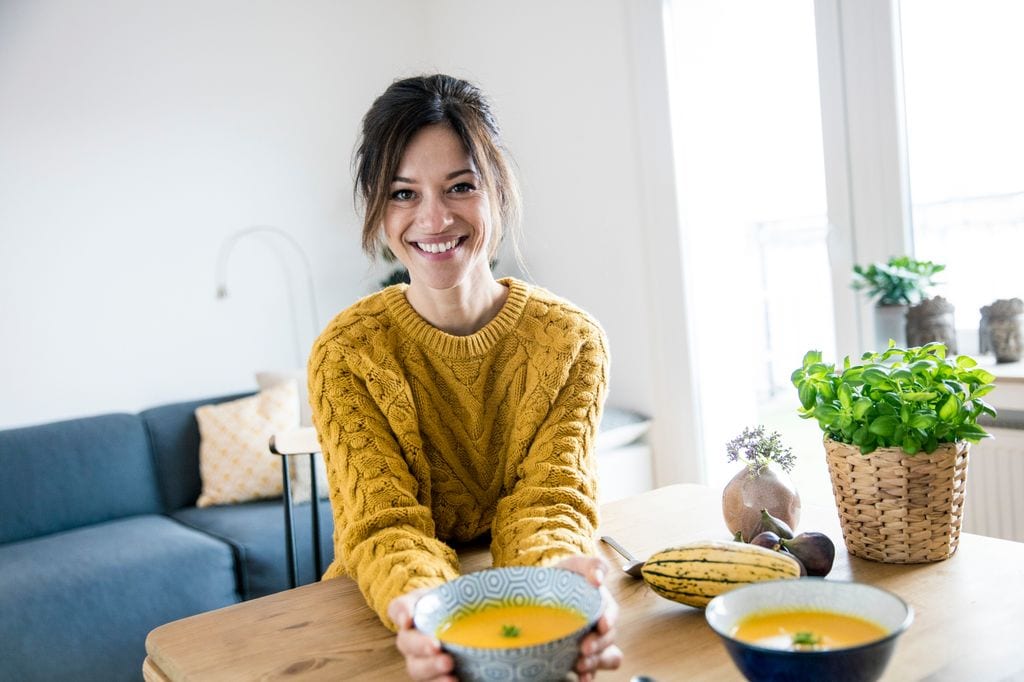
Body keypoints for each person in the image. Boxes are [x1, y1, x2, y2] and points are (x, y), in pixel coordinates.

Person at [308, 74, 621, 681]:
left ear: (497, 191)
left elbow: (549, 501)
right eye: (403, 194)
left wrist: (559, 575)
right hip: (380, 627)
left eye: (460, 186)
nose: (433, 218)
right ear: (376, 210)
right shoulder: (347, 354)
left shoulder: (571, 341)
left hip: (522, 612)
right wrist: (430, 613)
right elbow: (384, 525)